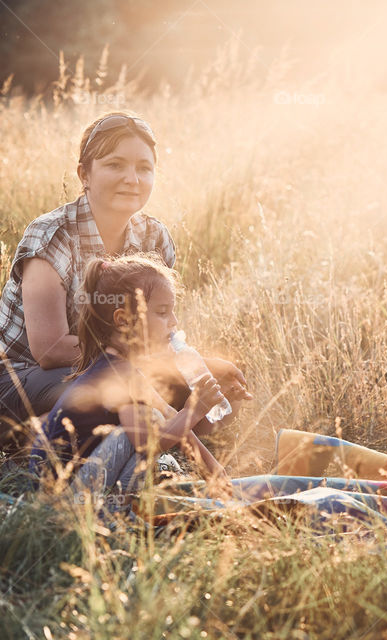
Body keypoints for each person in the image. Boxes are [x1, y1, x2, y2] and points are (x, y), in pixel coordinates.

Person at [0, 111, 247, 446]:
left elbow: (162, 331)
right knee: (110, 385)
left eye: (144, 168)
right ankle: (37, 447)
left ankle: (151, 451)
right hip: (24, 377)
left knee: (219, 387)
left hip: (115, 367)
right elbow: (51, 350)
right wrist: (144, 366)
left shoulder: (154, 237)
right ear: (84, 174)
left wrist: (198, 365)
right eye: (115, 165)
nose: (132, 178)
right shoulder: (51, 234)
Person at [30, 254, 230, 494]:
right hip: (59, 497)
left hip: (76, 484)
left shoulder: (125, 369)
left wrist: (215, 470)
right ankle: (108, 516)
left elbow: (170, 416)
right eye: (163, 312)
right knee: (133, 437)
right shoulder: (117, 374)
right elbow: (146, 444)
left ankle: (121, 509)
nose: (174, 322)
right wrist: (194, 411)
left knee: (158, 417)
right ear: (124, 321)